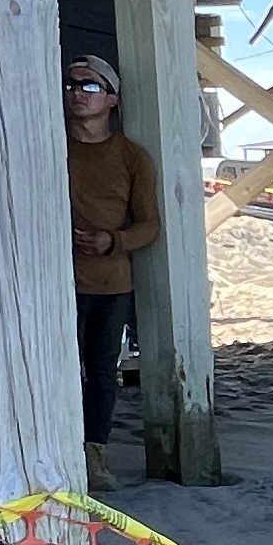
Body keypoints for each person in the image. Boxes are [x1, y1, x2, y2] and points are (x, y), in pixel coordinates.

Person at [61, 48, 161, 457]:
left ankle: (94, 452)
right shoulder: (50, 146)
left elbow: (149, 225)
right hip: (57, 281)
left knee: (103, 371)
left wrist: (113, 241)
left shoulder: (133, 157)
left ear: (112, 98)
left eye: (90, 86)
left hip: (110, 282)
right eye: (71, 85)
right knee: (60, 369)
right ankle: (59, 449)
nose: (78, 93)